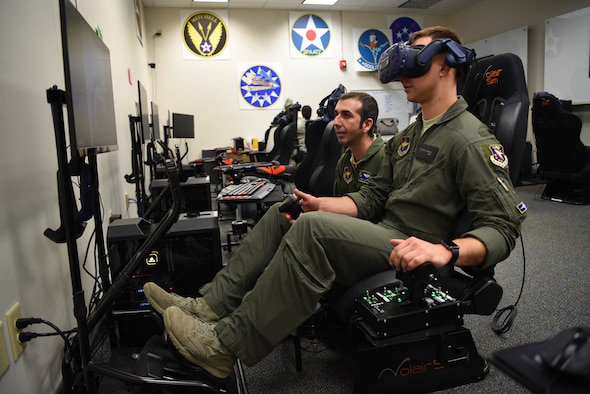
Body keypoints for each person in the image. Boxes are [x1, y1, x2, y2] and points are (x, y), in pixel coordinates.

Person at [143, 26, 527, 380]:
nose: (406, 69)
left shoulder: (469, 139)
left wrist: (445, 251)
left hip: (413, 247)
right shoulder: (410, 136)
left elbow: (503, 227)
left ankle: (225, 346)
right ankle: (209, 305)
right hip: (384, 233)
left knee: (311, 230)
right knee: (288, 212)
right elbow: (373, 196)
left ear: (445, 65)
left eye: (418, 57)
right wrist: (321, 205)